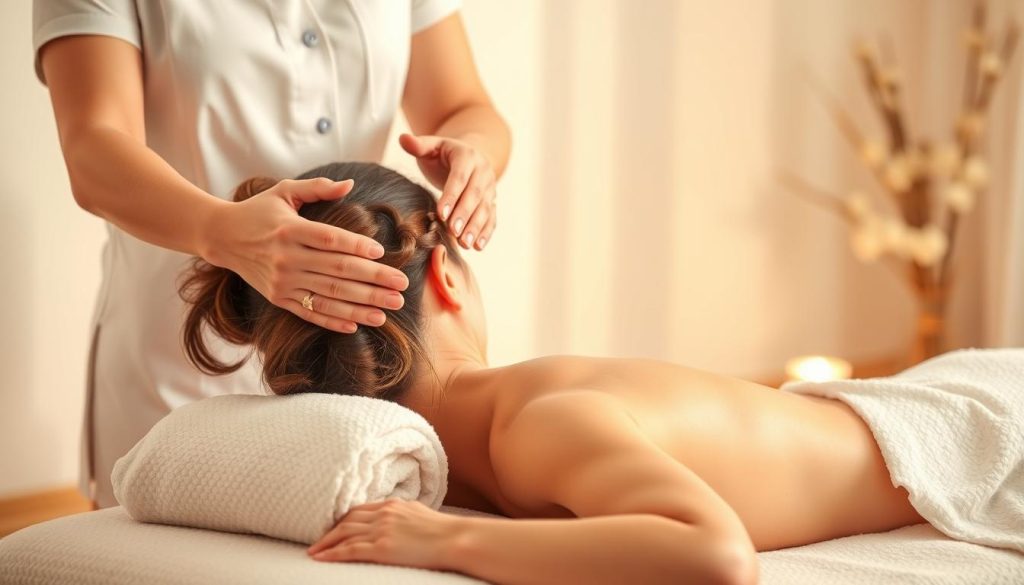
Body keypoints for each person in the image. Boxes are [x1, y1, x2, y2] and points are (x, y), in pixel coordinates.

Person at [181, 161, 941, 585]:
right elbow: (718, 556)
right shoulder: (492, 437)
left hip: (932, 439)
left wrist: (448, 542)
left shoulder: (541, 419)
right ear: (446, 277)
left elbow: (716, 554)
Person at [33, 0, 510, 508]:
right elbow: (93, 144)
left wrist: (471, 149)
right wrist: (220, 229)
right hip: (178, 359)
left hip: (354, 366)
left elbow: (462, 105)